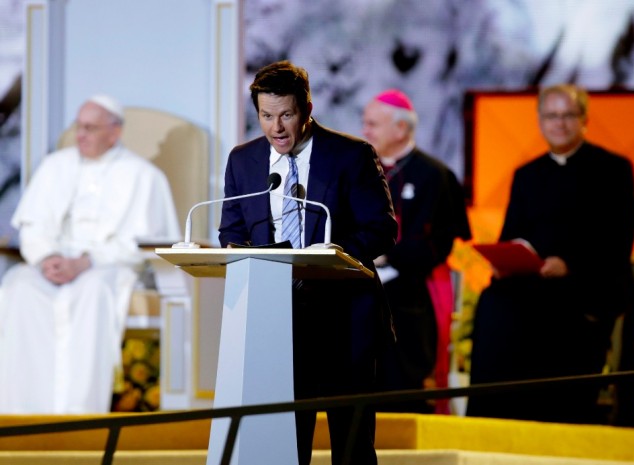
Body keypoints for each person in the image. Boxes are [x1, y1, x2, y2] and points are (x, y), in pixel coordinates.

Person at [219, 61, 397, 465]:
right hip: (274, 322)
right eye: (266, 116)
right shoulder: (243, 161)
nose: (276, 128)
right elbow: (230, 231)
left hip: (344, 318)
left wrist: (325, 255)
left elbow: (381, 230)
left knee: (351, 449)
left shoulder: (352, 155)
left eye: (286, 115)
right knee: (282, 446)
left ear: (307, 108)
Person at [466, 84, 634, 424]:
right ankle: (491, 420)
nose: (559, 124)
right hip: (533, 281)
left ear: (584, 119)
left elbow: (619, 239)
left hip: (588, 281)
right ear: (540, 121)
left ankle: (551, 422)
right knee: (494, 301)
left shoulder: (613, 169)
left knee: (552, 314)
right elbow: (511, 235)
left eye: (567, 115)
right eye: (551, 116)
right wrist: (506, 263)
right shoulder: (527, 174)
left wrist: (570, 264)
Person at [0, 95, 180, 414]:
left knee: (93, 292)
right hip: (51, 267)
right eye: (78, 127)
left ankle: (79, 413)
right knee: (17, 285)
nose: (80, 135)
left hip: (106, 269)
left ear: (115, 132)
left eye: (90, 128)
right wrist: (46, 259)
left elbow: (144, 244)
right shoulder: (55, 166)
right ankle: (19, 413)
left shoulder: (144, 176)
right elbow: (32, 227)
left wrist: (85, 262)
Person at [362, 89, 472, 414]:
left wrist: (390, 257)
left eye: (373, 124)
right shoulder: (362, 170)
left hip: (411, 284)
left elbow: (441, 243)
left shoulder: (435, 175)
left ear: (400, 129)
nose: (365, 131)